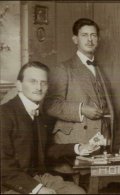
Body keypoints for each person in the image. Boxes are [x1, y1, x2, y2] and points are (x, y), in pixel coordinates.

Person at [0, 61, 98, 194]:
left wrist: (77, 148)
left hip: (37, 177)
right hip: (10, 183)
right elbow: (3, 167)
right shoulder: (4, 114)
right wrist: (37, 189)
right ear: (19, 85)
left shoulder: (38, 112)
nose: (39, 87)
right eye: (33, 81)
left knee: (77, 193)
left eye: (43, 82)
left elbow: (45, 149)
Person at [44, 18, 114, 172]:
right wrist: (81, 109)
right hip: (73, 143)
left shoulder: (100, 71)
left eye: (93, 35)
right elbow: (50, 105)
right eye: (84, 35)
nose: (90, 39)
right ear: (75, 39)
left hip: (98, 142)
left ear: (98, 39)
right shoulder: (63, 68)